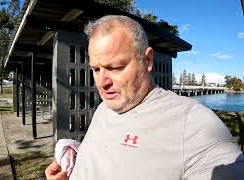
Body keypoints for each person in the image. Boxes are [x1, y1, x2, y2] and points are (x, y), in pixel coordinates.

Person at [45, 15, 244, 180]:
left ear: (147, 60)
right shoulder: (104, 108)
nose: (102, 82)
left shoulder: (193, 124)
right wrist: (74, 163)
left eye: (115, 67)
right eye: (96, 69)